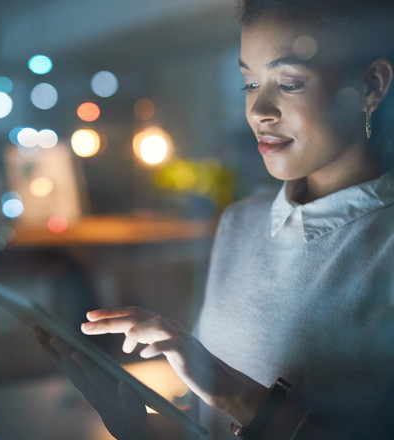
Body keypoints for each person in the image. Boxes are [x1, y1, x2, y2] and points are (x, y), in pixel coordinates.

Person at [37, 0, 394, 438]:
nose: (259, 108)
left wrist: (234, 393)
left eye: (289, 82)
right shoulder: (241, 223)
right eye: (249, 83)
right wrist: (142, 429)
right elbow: (210, 427)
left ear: (371, 86)